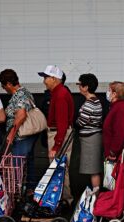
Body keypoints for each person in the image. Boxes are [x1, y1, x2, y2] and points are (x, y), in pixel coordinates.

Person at [38, 65, 75, 205]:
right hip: (59, 133)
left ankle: (65, 200)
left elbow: (62, 124)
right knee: (60, 168)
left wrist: (56, 145)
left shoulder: (60, 95)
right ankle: (62, 199)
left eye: (46, 77)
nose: (44, 81)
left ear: (54, 78)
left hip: (59, 135)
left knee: (59, 168)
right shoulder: (59, 93)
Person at [0, 69, 39, 191]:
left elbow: (21, 115)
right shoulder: (24, 92)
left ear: (9, 84)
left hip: (22, 136)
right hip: (27, 136)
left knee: (17, 165)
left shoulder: (20, 94)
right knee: (28, 163)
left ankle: (15, 193)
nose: (3, 88)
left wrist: (11, 134)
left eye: (3, 85)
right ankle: (30, 190)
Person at [103, 81, 124, 210]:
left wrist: (112, 152)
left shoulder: (120, 108)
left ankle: (121, 205)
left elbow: (119, 133)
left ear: (115, 94)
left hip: (119, 153)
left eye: (109, 90)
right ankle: (121, 204)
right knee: (121, 178)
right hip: (119, 152)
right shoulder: (118, 106)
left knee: (120, 179)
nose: (108, 93)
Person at [76, 73, 103, 191]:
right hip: (93, 138)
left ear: (86, 87)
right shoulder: (95, 101)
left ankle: (96, 197)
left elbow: (81, 122)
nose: (79, 87)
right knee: (94, 169)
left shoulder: (90, 103)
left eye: (80, 84)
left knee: (93, 170)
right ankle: (95, 196)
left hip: (90, 140)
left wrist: (75, 122)